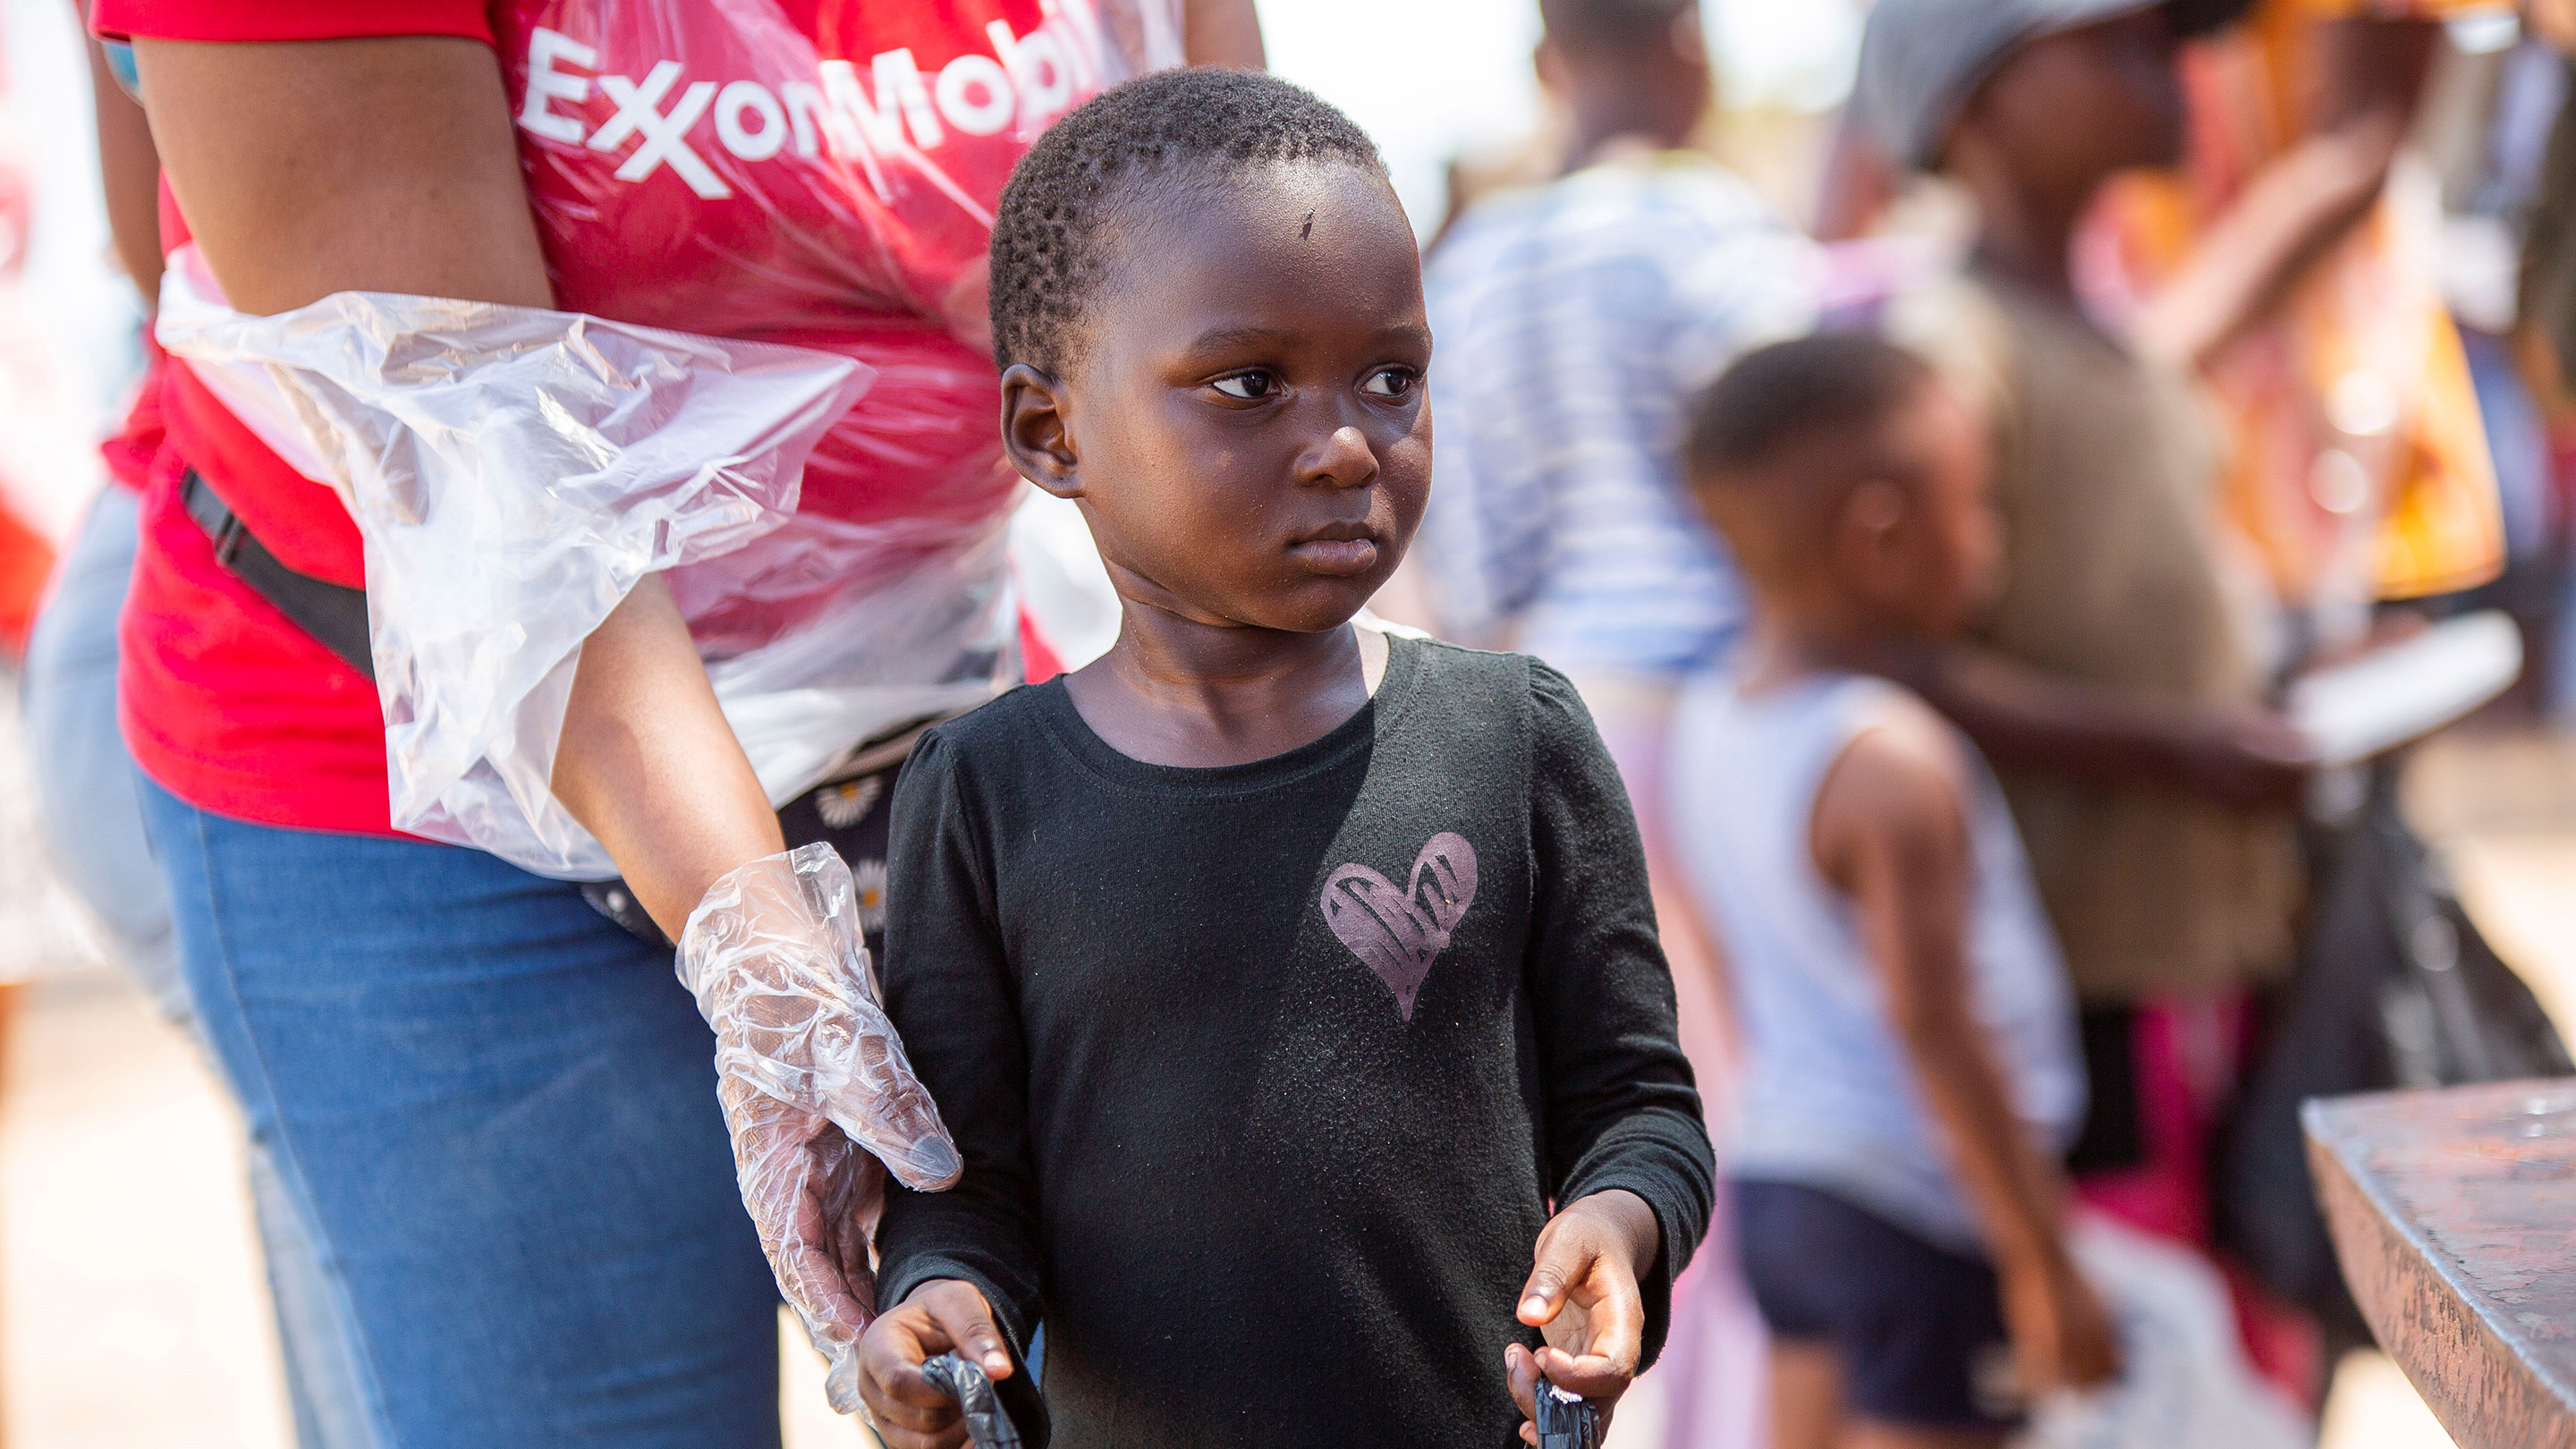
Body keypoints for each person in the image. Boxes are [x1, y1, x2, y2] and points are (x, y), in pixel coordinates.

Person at [84, 4, 1260, 1445]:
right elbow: (470, 458)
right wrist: (761, 940)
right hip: (432, 782)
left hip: (915, 701)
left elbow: (1242, 286)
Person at [855, 68, 1715, 1449]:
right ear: (1049, 429)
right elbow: (968, 1185)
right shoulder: (984, 793)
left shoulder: (1514, 739)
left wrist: (1620, 1229)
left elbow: (1638, 1107)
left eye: (1391, 377)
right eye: (1250, 384)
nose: (1342, 446)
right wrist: (938, 1301)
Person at [1856, 0, 2326, 1398]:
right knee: (2141, 1351)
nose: (2174, 69)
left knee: (2231, 1330)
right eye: (2120, 45)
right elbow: (1894, 656)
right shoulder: (1956, 342)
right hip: (2086, 974)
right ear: (1980, 100)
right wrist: (2181, 752)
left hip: (2198, 944)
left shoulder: (2110, 330)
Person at [1412, 14, 1818, 1437]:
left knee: (1611, 1100)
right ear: (1693, 55)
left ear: (1545, 66)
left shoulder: (1470, 267)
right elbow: (1807, 462)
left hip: (1551, 706)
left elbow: (1462, 560)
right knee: (1748, 1104)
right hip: (1714, 710)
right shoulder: (1712, 232)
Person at [1673, 333, 2107, 1449]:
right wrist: (2040, 1257)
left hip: (1786, 1184)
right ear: (1881, 537)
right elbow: (1935, 1025)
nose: (1994, 544)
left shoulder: (1712, 724)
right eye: (1978, 506)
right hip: (1919, 1207)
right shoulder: (1890, 761)